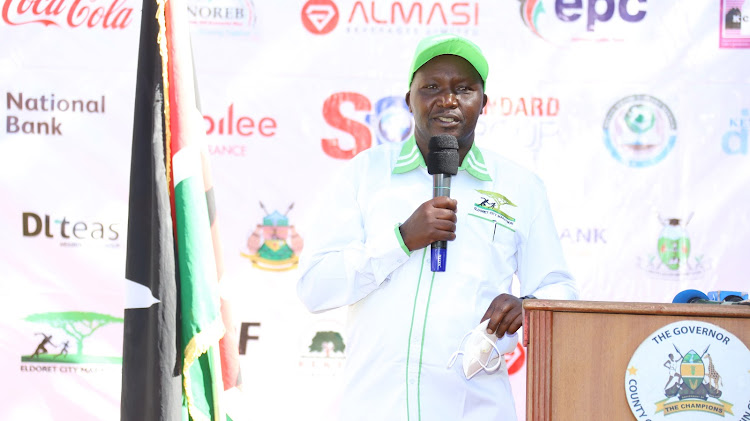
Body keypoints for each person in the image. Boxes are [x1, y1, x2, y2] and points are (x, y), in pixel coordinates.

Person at [297, 33, 578, 421]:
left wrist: (527, 308)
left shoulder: (519, 186)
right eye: (431, 87)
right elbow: (316, 287)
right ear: (407, 99)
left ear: (483, 104)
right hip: (375, 408)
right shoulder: (365, 174)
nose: (447, 100)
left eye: (464, 89)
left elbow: (557, 289)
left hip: (475, 409)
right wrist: (401, 239)